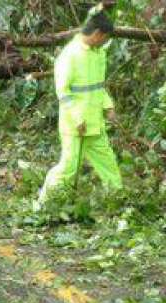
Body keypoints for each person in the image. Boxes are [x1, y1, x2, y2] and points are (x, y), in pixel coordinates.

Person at [36, 11, 123, 207]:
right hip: (75, 126)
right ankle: (44, 205)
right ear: (98, 34)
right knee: (68, 167)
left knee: (108, 163)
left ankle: (117, 200)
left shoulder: (99, 54)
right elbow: (63, 91)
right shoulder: (70, 55)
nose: (105, 42)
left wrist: (108, 107)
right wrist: (77, 119)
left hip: (95, 124)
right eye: (105, 38)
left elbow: (98, 85)